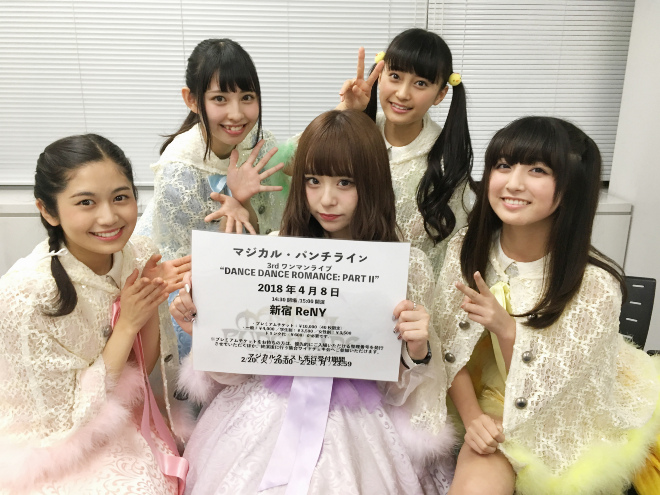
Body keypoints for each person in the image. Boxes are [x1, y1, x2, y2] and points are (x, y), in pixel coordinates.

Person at [170, 110, 456, 494]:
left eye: (345, 182)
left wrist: (417, 351)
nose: (326, 199)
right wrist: (204, 331)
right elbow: (236, 372)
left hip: (363, 422)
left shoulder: (405, 266)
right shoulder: (271, 252)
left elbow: (402, 395)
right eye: (313, 180)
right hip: (262, 410)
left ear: (372, 182)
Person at [434, 116, 660, 495]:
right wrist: (473, 419)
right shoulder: (466, 246)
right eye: (503, 165)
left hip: (561, 412)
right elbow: (447, 347)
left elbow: (559, 395)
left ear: (572, 186)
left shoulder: (596, 285)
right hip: (480, 399)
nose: (514, 183)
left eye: (537, 170)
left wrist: (507, 329)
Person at [0, 134, 190, 494]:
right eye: (86, 202)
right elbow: (63, 419)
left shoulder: (138, 253)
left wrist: (151, 300)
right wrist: (128, 323)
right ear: (47, 210)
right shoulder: (25, 295)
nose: (109, 217)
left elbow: (141, 372)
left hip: (124, 412)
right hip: (55, 441)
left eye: (120, 197)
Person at [135, 38, 289, 357]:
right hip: (192, 298)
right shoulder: (178, 171)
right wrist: (237, 206)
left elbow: (266, 235)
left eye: (247, 97)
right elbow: (196, 269)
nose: (236, 113)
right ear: (192, 100)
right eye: (220, 98)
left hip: (252, 282)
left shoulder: (259, 143)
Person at [337, 28, 474, 278]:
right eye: (395, 76)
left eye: (420, 83)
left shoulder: (448, 163)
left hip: (410, 296)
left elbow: (447, 262)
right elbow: (292, 164)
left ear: (440, 94)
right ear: (380, 76)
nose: (402, 93)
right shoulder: (355, 133)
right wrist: (347, 112)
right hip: (342, 280)